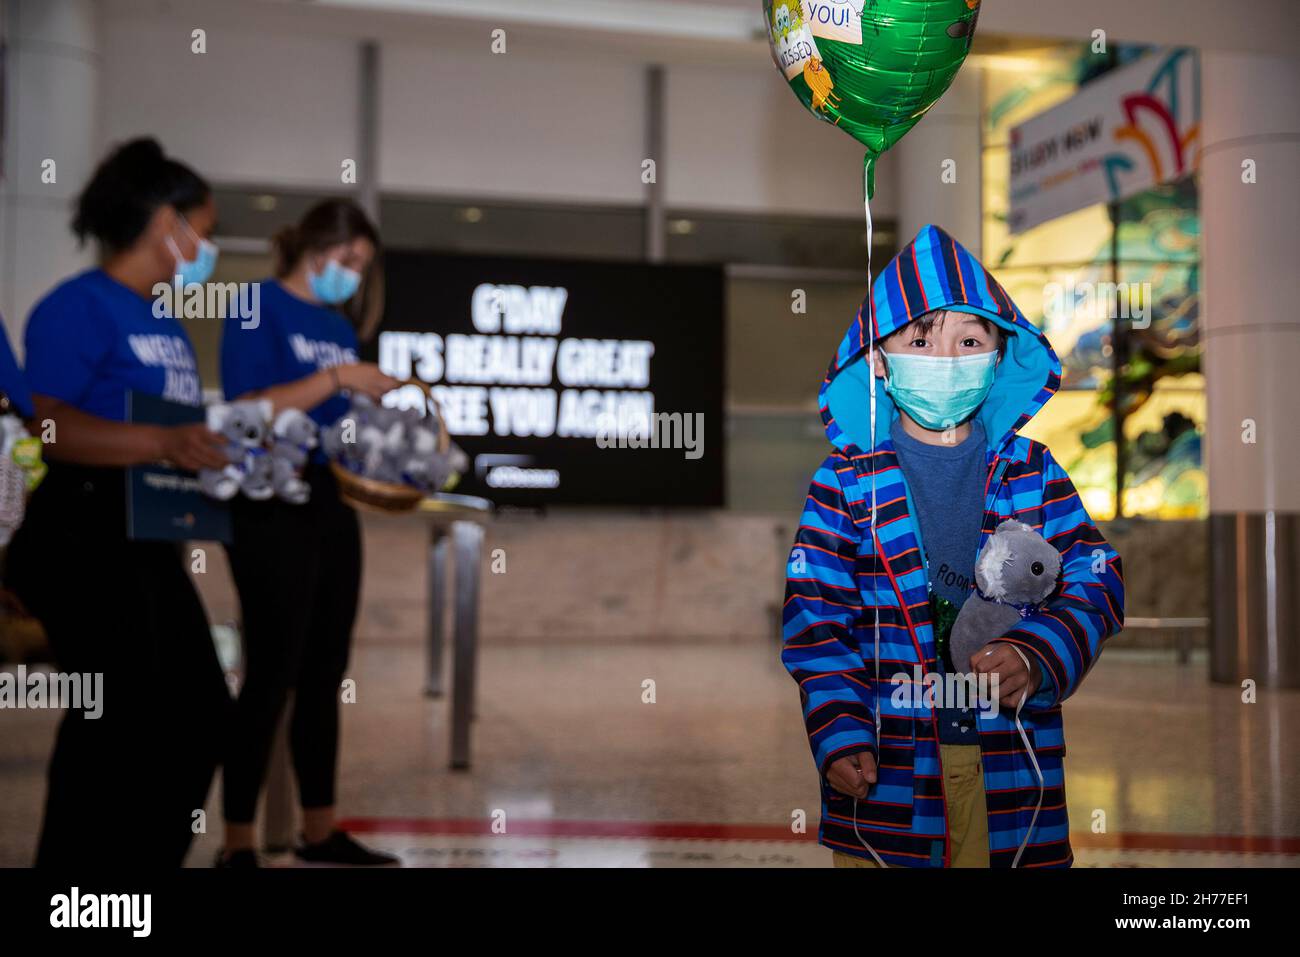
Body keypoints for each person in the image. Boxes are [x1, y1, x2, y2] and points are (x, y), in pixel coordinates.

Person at [782, 224, 1124, 868]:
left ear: (999, 357)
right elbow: (818, 620)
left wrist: (1040, 652)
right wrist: (839, 731)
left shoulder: (1035, 472)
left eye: (969, 340)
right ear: (879, 360)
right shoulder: (846, 482)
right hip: (888, 771)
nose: (945, 359)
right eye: (921, 339)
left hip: (1013, 773)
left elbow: (1097, 577)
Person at [4, 137, 232, 868]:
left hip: (144, 534)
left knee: (200, 712)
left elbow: (157, 432)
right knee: (115, 721)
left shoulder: (161, 318)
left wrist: (199, 451)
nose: (209, 247)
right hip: (81, 530)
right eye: (205, 227)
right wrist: (161, 444)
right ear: (167, 222)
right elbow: (49, 424)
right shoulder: (78, 307)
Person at [215, 199, 402, 867]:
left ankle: (319, 830)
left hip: (328, 496)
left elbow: (335, 419)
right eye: (348, 261)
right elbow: (245, 408)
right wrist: (337, 377)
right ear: (316, 246)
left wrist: (380, 437)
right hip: (268, 494)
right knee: (271, 671)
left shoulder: (336, 326)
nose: (352, 277)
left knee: (327, 670)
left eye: (362, 269)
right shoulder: (251, 304)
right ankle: (237, 838)